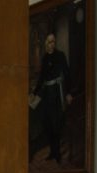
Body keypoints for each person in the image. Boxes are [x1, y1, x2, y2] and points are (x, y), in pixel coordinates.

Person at [32, 33, 73, 164]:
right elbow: (42, 78)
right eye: (49, 42)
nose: (52, 44)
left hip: (57, 92)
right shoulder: (45, 58)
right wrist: (35, 93)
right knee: (48, 123)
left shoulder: (60, 55)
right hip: (47, 94)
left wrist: (68, 92)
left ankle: (58, 154)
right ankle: (52, 152)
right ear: (46, 44)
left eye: (53, 41)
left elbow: (67, 73)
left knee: (57, 123)